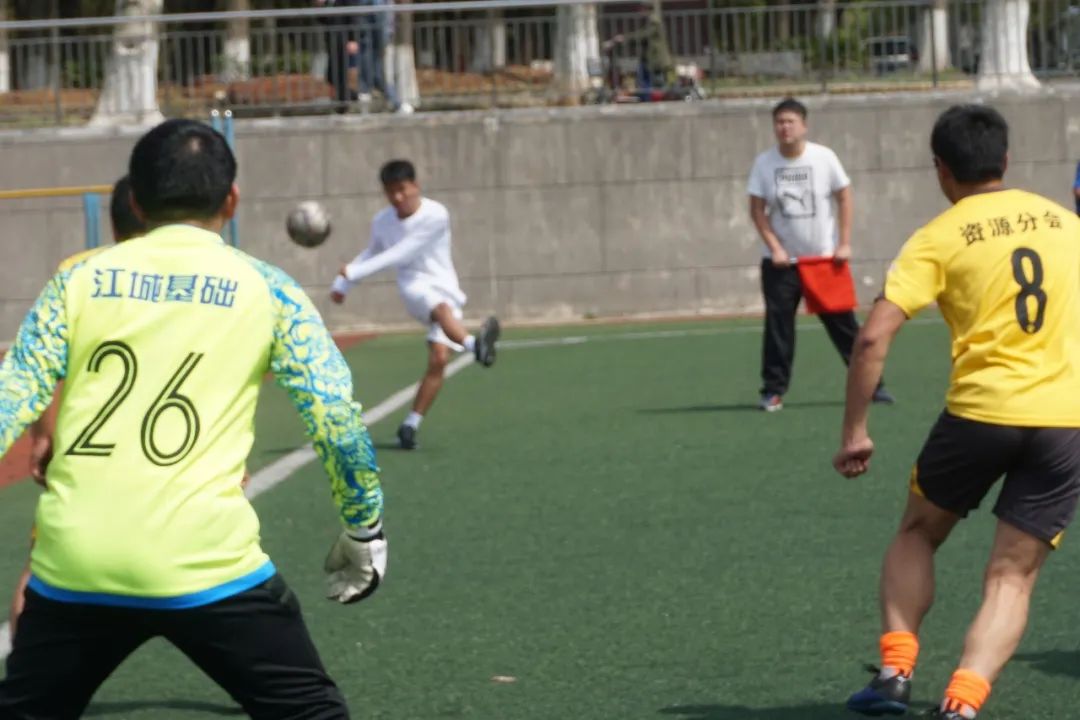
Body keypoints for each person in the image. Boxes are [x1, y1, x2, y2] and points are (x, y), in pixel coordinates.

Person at [0, 119, 387, 719]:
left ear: (135, 201)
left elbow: (10, 399)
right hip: (210, 565)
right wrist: (364, 527)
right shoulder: (270, 289)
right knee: (311, 711)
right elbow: (335, 417)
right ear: (232, 200)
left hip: (76, 565)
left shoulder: (76, 281)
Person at [835, 105, 1080, 719]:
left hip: (980, 414)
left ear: (940, 169)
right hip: (1064, 421)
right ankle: (962, 705)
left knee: (918, 532)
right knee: (1012, 577)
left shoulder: (939, 236)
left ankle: (895, 673)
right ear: (1006, 160)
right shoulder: (1066, 224)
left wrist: (856, 431)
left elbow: (872, 337)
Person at [8, 176, 146, 639]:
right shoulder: (203, 279)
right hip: (173, 453)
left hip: (85, 454)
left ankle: (25, 671)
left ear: (116, 222)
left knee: (40, 569)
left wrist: (43, 436)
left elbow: (40, 366)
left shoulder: (77, 274)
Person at [330, 159, 498, 450]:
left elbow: (401, 252)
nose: (397, 197)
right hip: (414, 286)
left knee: (439, 359)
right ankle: (476, 346)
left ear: (415, 186)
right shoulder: (382, 221)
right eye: (390, 192)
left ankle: (410, 425)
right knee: (441, 309)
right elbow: (374, 252)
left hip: (444, 284)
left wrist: (353, 273)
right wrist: (342, 284)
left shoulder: (436, 215)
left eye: (402, 190)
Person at [747, 97, 893, 411]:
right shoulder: (764, 163)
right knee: (778, 329)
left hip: (824, 261)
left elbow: (844, 197)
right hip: (781, 265)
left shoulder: (824, 158)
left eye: (790, 121)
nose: (784, 128)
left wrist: (844, 243)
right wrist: (775, 248)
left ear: (804, 125)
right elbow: (757, 210)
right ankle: (773, 391)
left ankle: (872, 385)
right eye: (779, 122)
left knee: (844, 326)